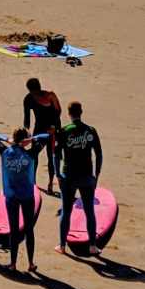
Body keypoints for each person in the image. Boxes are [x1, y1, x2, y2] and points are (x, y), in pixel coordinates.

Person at [55, 100, 104, 255]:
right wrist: (97, 174)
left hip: (68, 176)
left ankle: (62, 246)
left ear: (68, 114)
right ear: (81, 112)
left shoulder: (64, 131)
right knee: (89, 211)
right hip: (87, 176)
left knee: (66, 211)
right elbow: (99, 154)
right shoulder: (90, 130)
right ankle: (92, 246)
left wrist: (57, 174)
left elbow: (56, 155)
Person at [0, 128, 41, 271]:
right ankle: (31, 263)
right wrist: (31, 140)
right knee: (29, 229)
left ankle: (13, 264)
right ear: (24, 140)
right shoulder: (31, 153)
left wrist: (7, 140)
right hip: (26, 196)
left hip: (11, 196)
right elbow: (44, 137)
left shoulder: (5, 152)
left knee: (14, 229)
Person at [23, 77, 63, 192]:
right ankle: (33, 181)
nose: (35, 94)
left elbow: (58, 112)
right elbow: (27, 118)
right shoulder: (28, 99)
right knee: (34, 154)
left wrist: (54, 127)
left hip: (53, 129)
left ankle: (50, 183)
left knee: (51, 156)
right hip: (39, 128)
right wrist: (26, 132)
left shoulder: (50, 96)